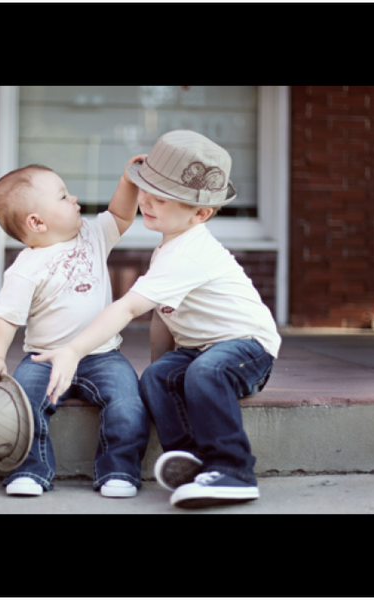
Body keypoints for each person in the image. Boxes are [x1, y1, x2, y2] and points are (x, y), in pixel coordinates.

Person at [33, 130, 281, 509]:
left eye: (160, 198)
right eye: (144, 189)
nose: (145, 201)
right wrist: (160, 373)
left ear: (200, 213)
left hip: (248, 348)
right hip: (201, 350)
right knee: (156, 376)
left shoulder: (190, 252)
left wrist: (73, 350)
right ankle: (190, 458)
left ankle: (233, 470)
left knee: (205, 372)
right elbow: (162, 319)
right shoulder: (169, 246)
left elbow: (129, 308)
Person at [0, 154, 151, 499]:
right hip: (44, 358)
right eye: (62, 196)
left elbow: (119, 214)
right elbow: (4, 317)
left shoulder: (91, 235)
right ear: (37, 222)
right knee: (23, 406)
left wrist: (128, 182)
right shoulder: (26, 268)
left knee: (129, 402)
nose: (73, 199)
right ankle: (30, 469)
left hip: (102, 355)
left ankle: (118, 468)